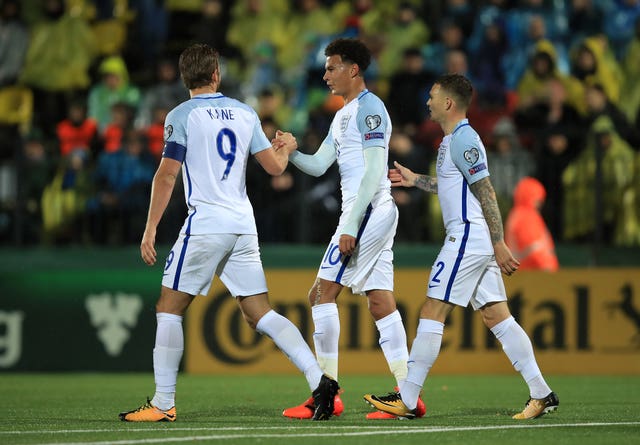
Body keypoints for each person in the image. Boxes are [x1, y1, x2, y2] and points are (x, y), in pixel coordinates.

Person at [118, 43, 339, 422]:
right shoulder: (244, 112)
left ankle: (163, 403)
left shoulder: (181, 115)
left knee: (169, 308)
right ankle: (321, 381)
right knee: (259, 312)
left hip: (206, 223)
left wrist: (150, 227)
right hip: (242, 224)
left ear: (186, 77)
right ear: (217, 74)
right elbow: (274, 168)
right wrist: (285, 147)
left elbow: (168, 173)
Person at [364, 74, 559, 420]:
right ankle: (541, 392)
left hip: (467, 236)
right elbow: (456, 186)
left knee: (432, 310)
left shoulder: (464, 138)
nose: (428, 102)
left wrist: (499, 242)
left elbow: (486, 190)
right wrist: (415, 180)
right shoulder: (453, 140)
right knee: (498, 316)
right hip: (475, 237)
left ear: (449, 103)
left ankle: (407, 398)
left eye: (433, 96)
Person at [281, 37, 425, 420]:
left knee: (320, 295)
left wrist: (349, 224)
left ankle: (328, 394)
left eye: (332, 67)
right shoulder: (342, 114)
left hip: (365, 215)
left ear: (353, 69)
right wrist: (291, 151)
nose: (326, 75)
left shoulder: (371, 108)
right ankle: (409, 395)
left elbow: (377, 170)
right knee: (380, 302)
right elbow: (317, 166)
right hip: (369, 215)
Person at [505, 177, 559, 271]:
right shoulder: (527, 217)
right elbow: (533, 249)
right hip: (535, 277)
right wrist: (549, 270)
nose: (540, 204)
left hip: (522, 275)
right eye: (539, 199)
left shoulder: (516, 215)